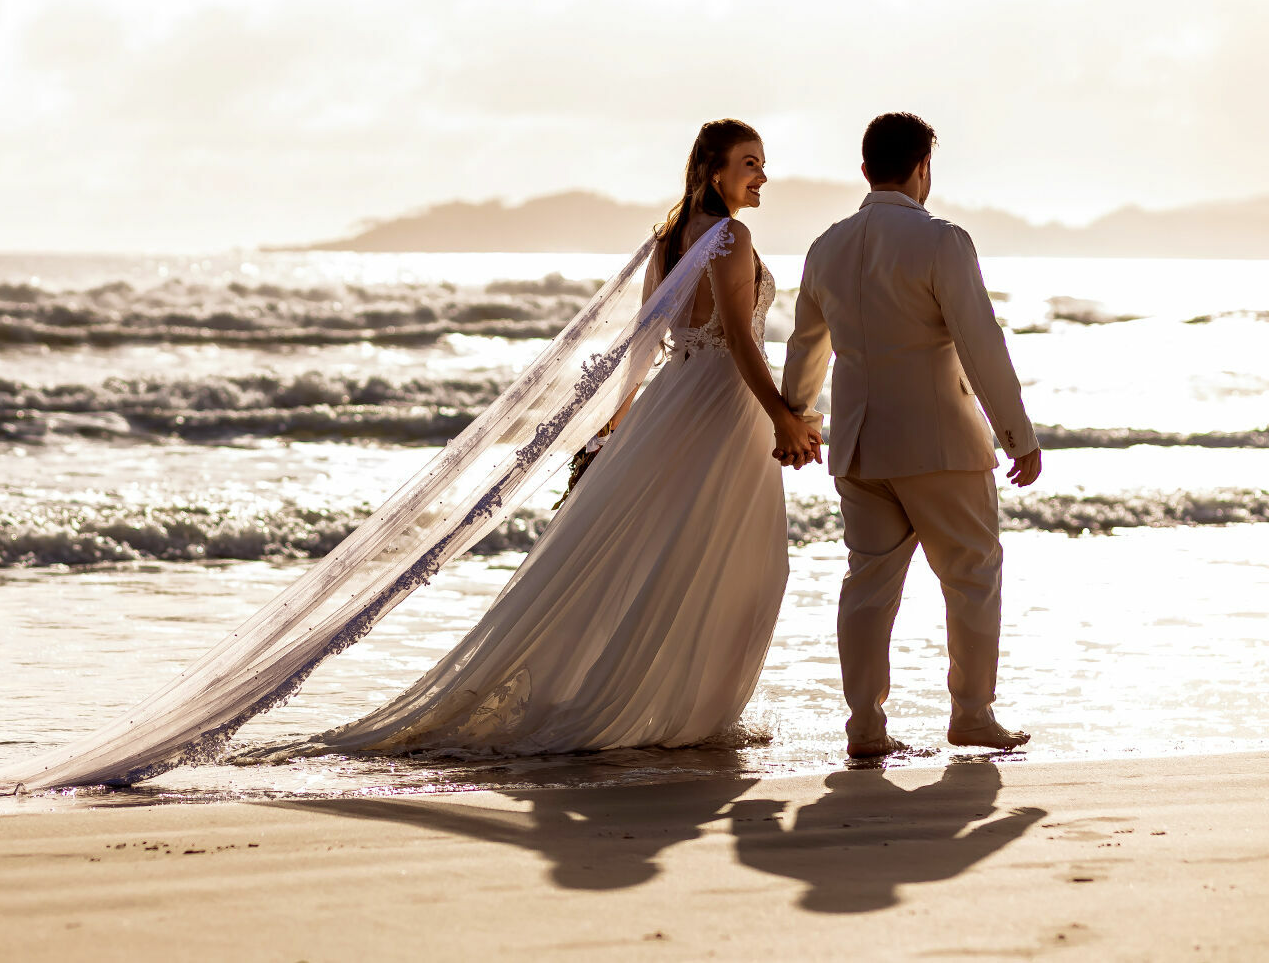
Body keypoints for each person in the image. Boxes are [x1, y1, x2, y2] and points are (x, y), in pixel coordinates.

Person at [266, 119, 822, 759]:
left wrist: (617, 426)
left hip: (680, 399)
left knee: (678, 555)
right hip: (723, 406)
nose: (762, 176)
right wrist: (783, 414)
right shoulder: (728, 235)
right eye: (750, 163)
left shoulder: (671, 239)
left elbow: (646, 347)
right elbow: (739, 337)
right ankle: (686, 715)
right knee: (737, 561)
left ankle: (679, 708)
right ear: (714, 171)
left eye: (762, 163)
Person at [781, 113, 1042, 759]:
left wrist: (798, 418)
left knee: (867, 586)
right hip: (941, 444)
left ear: (866, 169)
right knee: (972, 573)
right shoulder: (942, 241)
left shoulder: (826, 247)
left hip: (861, 446)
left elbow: (806, 348)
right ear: (924, 167)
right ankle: (972, 713)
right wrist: (1017, 435)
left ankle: (865, 726)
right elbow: (982, 343)